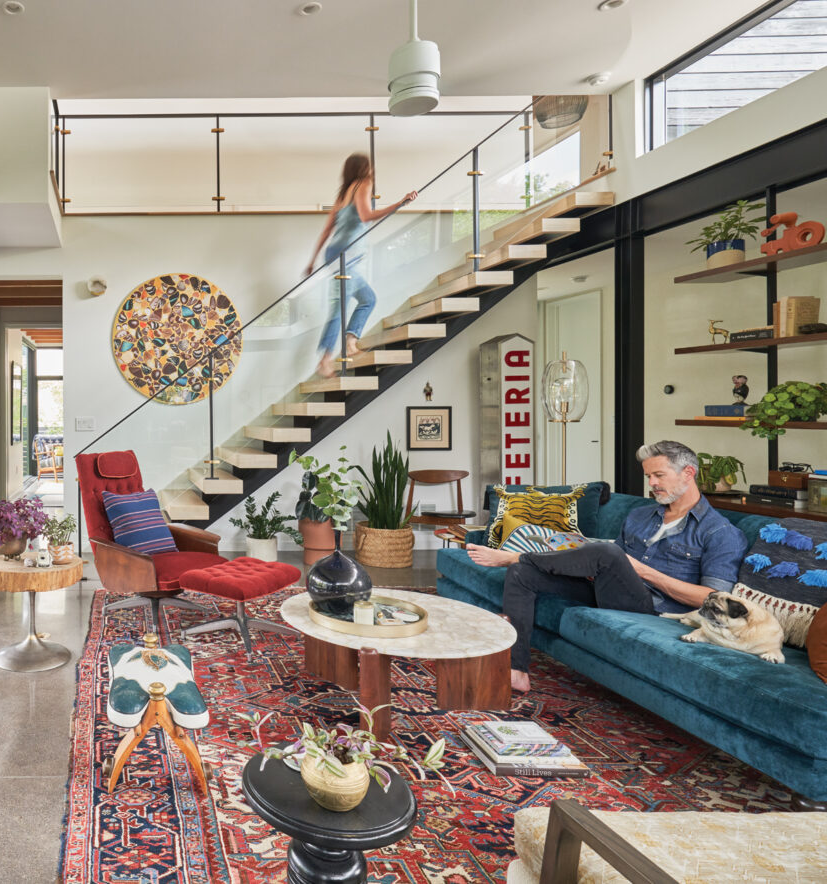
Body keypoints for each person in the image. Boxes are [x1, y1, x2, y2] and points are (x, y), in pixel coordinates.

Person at [466, 440, 747, 694]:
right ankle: (517, 670)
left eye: (659, 475)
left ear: (688, 473)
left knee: (607, 552)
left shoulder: (719, 532)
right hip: (607, 589)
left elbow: (710, 599)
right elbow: (611, 565)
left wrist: (643, 571)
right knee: (523, 574)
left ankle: (515, 555)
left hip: (655, 608)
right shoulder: (640, 516)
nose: (652, 483)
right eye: (649, 476)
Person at [305, 153, 417, 378]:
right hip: (348, 254)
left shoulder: (341, 195)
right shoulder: (362, 184)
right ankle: (326, 358)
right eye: (370, 167)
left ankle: (350, 342)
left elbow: (328, 230)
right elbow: (366, 216)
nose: (372, 171)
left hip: (335, 254)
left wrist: (313, 260)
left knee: (368, 299)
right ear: (364, 169)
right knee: (339, 306)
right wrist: (400, 203)